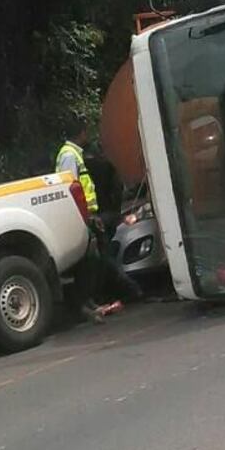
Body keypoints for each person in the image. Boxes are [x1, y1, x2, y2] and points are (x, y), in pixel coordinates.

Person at [56, 117, 141, 320]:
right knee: (93, 260)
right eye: (86, 132)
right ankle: (84, 303)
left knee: (94, 261)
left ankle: (90, 301)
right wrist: (87, 216)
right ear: (81, 133)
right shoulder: (69, 155)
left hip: (89, 216)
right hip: (84, 217)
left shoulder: (75, 154)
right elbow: (71, 188)